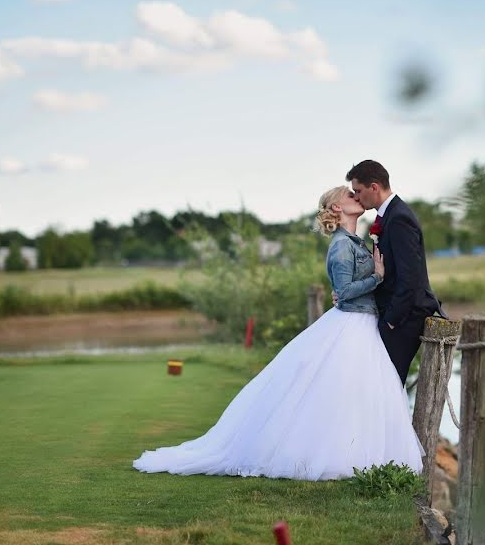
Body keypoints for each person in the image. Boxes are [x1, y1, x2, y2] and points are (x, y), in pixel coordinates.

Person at [131, 186, 423, 480]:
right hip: (352, 323)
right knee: (341, 391)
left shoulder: (354, 241)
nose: (356, 197)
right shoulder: (340, 246)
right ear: (336, 208)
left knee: (357, 393)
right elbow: (345, 292)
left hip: (363, 324)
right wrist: (377, 277)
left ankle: (358, 452)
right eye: (349, 195)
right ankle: (337, 456)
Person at [345, 160, 445, 386]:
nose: (357, 198)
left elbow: (410, 277)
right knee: (381, 384)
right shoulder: (388, 215)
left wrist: (391, 320)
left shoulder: (399, 217)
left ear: (374, 187)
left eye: (358, 191)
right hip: (393, 314)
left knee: (387, 385)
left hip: (404, 318)